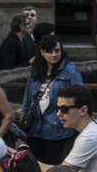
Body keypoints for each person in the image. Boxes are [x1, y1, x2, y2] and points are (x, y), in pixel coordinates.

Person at [20, 36, 84, 164]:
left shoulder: (70, 71)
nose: (54, 55)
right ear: (42, 52)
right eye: (49, 51)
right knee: (36, 166)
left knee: (52, 166)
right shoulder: (36, 71)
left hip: (58, 129)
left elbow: (81, 98)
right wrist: (23, 127)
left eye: (57, 51)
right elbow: (27, 100)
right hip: (35, 128)